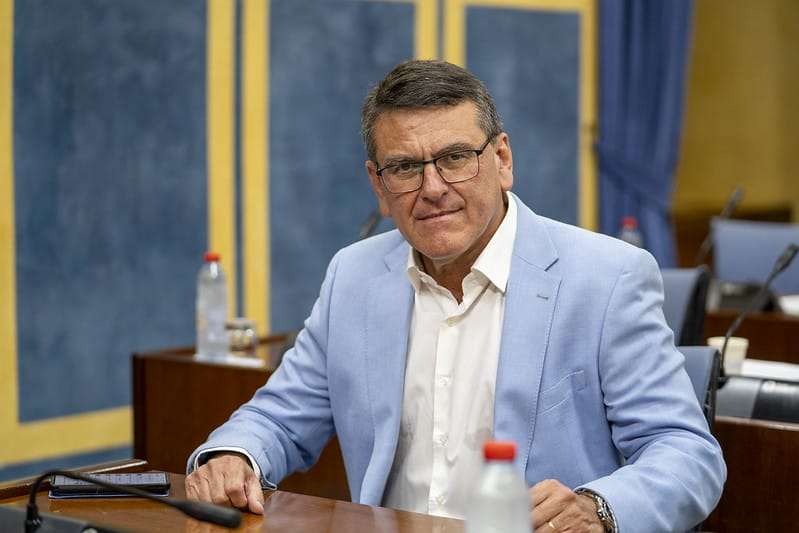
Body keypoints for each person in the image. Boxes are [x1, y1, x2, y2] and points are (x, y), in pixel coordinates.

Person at [185, 60, 725, 532]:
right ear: (378, 184)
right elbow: (280, 418)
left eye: (456, 157)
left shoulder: (606, 278)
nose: (433, 188)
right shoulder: (353, 276)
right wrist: (235, 455)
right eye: (405, 167)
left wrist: (597, 508)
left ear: (502, 160)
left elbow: (686, 454)